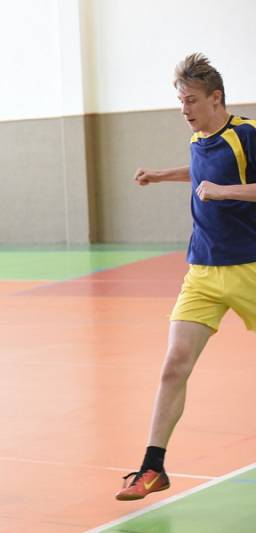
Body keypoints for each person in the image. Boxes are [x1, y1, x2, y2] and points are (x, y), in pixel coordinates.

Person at [117, 52, 256, 500]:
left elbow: (221, 184)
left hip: (250, 266)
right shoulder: (198, 141)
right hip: (202, 270)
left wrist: (226, 192)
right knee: (175, 364)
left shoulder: (246, 135)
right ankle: (153, 466)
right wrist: (162, 175)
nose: (184, 110)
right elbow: (202, 175)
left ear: (217, 98)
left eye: (192, 100)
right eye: (180, 101)